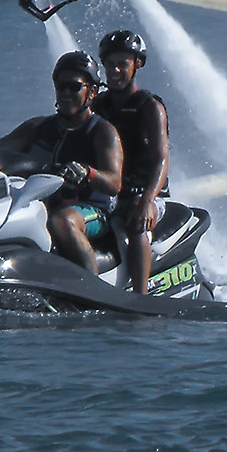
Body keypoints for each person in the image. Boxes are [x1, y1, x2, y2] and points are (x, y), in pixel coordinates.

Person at [0, 51, 124, 274]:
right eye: (61, 86)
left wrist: (87, 173)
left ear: (92, 92)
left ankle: (93, 291)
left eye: (74, 87)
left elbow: (114, 182)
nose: (66, 93)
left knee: (63, 221)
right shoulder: (38, 127)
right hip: (41, 203)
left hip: (92, 211)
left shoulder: (102, 132)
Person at [93, 29, 172, 293]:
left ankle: (140, 296)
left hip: (146, 195)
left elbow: (162, 158)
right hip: (111, 193)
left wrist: (148, 201)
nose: (115, 70)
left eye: (122, 64)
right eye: (109, 64)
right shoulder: (98, 104)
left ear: (137, 64)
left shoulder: (149, 106)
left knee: (136, 223)